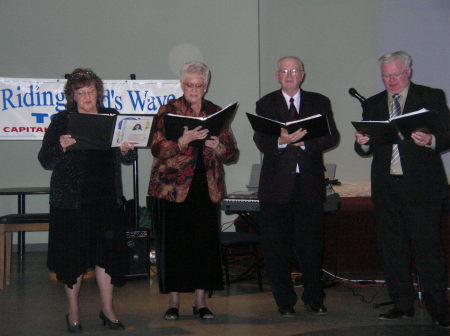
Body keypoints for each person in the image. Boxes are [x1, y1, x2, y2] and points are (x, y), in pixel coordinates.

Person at [355, 51, 450, 328]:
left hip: (422, 189)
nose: (391, 80)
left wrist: (431, 139)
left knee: (428, 250)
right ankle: (402, 304)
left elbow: (447, 132)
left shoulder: (431, 96)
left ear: (408, 71)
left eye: (395, 74)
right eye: (386, 76)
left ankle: (438, 308)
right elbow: (365, 148)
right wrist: (362, 142)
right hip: (387, 189)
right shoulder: (373, 104)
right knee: (392, 250)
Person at [38, 68, 136, 333]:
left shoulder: (112, 116)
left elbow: (126, 158)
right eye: (80, 93)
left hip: (106, 198)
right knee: (73, 260)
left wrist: (127, 150)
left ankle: (108, 310)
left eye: (90, 91)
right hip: (72, 202)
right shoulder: (62, 120)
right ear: (72, 95)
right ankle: (73, 313)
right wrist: (61, 146)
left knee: (107, 257)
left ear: (98, 92)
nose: (86, 97)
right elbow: (45, 159)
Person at [148, 61, 239, 320]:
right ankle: (173, 300)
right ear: (182, 84)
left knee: (203, 246)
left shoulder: (216, 113)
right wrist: (181, 141)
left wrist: (217, 146)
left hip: (205, 187)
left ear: (206, 86)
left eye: (199, 85)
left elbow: (232, 153)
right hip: (172, 189)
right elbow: (156, 148)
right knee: (174, 245)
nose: (194, 89)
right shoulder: (168, 111)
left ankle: (201, 301)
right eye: (189, 84)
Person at [253, 56, 339, 317]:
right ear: (277, 75)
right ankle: (285, 302)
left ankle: (314, 298)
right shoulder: (265, 103)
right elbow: (260, 139)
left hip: (309, 185)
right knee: (276, 248)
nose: (289, 75)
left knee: (311, 246)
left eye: (294, 70)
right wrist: (281, 141)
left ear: (302, 75)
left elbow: (332, 136)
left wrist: (305, 144)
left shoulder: (319, 101)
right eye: (284, 71)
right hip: (275, 187)